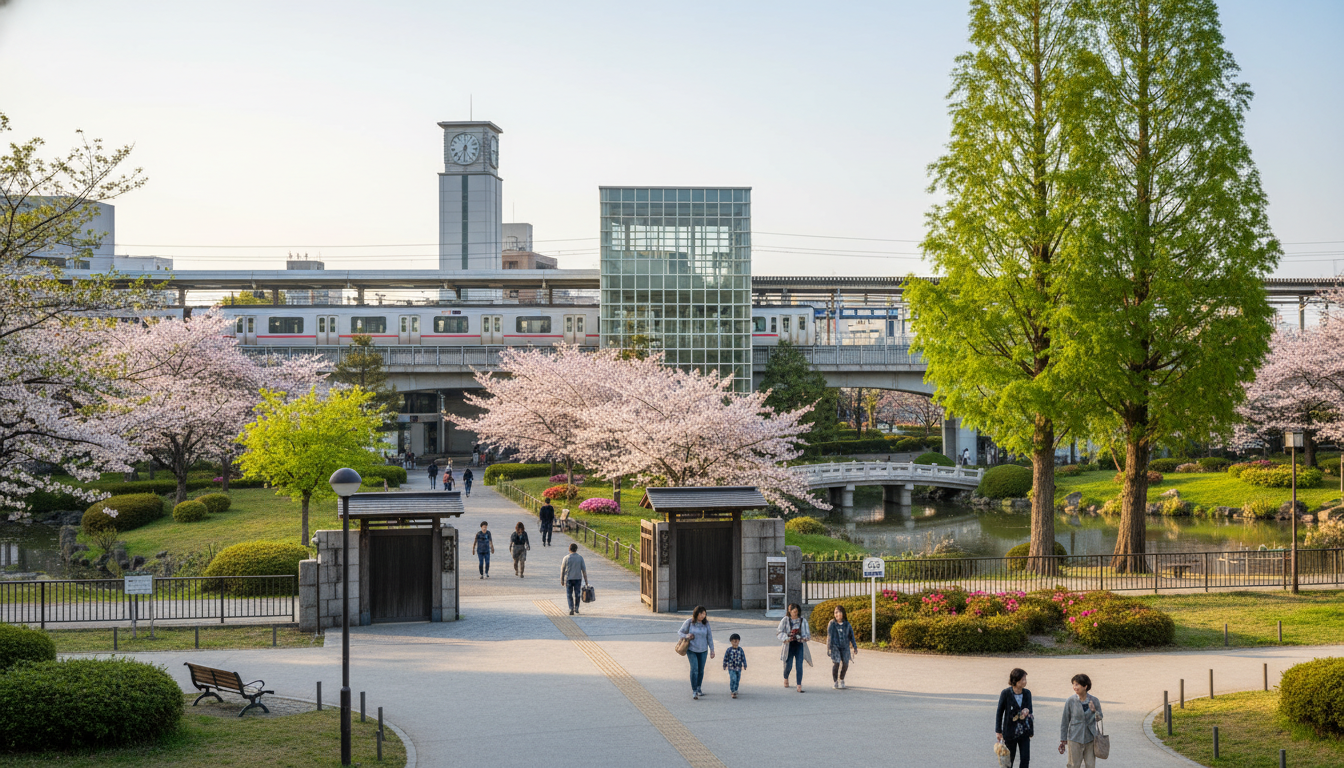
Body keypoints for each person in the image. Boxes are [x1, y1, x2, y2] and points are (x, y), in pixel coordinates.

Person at [1059, 673, 1103, 768]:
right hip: (1074, 738)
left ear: (1085, 686)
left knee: (1090, 765)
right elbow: (1065, 721)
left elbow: (1100, 717)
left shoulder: (1094, 700)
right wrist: (1063, 739)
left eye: (1077, 684)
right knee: (1073, 765)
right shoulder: (1070, 701)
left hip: (1090, 738)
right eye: (1073, 684)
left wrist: (1094, 710)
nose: (1074, 687)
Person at [996, 668, 1034, 768]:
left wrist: (1027, 711)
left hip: (1024, 731)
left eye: (1025, 679)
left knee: (1025, 759)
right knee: (1009, 760)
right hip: (1010, 732)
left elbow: (1030, 709)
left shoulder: (1027, 693)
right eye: (1022, 679)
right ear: (1015, 680)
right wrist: (998, 731)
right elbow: (999, 712)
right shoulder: (1006, 693)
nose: (1025, 682)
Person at [677, 606, 715, 700]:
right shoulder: (689, 622)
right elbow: (680, 632)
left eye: (704, 614)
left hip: (703, 650)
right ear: (696, 613)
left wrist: (712, 650)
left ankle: (699, 688)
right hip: (691, 649)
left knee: (701, 670)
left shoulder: (706, 623)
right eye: (701, 613)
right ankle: (694, 690)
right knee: (694, 669)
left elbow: (709, 637)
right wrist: (687, 635)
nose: (703, 616)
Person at [777, 603, 810, 693]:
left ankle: (799, 685)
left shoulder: (803, 621)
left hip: (799, 644)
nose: (795, 613)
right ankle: (786, 677)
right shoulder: (785, 620)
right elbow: (779, 632)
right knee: (789, 665)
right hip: (789, 645)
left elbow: (807, 634)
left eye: (796, 611)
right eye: (793, 611)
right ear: (789, 611)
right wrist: (786, 637)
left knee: (799, 665)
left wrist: (803, 638)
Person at [825, 604, 857, 689]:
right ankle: (835, 681)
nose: (837, 615)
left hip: (845, 646)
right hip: (835, 646)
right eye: (835, 613)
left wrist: (855, 647)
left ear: (843, 614)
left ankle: (842, 679)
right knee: (836, 663)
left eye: (838, 612)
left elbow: (851, 636)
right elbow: (829, 636)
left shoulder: (847, 624)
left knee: (846, 663)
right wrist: (828, 648)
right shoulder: (832, 623)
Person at [560, 543, 587, 615]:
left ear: (569, 549)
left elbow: (562, 569)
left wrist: (562, 580)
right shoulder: (580, 558)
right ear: (576, 549)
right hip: (578, 578)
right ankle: (577, 608)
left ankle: (571, 608)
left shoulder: (566, 558)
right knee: (577, 594)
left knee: (569, 594)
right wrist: (586, 581)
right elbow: (584, 570)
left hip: (569, 578)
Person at [722, 633, 747, 699]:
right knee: (733, 678)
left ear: (739, 641)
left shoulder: (740, 650)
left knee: (737, 679)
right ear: (731, 642)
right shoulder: (729, 650)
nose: (735, 642)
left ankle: (735, 689)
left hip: (738, 667)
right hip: (731, 667)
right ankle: (733, 691)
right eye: (733, 641)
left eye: (736, 641)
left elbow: (743, 657)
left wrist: (745, 664)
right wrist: (724, 664)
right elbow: (726, 658)